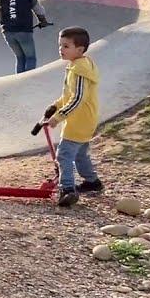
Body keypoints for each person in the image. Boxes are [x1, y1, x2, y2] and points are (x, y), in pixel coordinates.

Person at [45, 26, 102, 207]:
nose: (61, 49)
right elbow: (70, 95)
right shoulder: (81, 65)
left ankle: (67, 189)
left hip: (78, 121)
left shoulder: (79, 69)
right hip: (86, 119)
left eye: (66, 46)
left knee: (64, 155)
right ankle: (92, 182)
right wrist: (55, 105)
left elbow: (77, 98)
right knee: (80, 154)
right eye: (60, 45)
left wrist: (59, 117)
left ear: (79, 50)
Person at [0, 0, 49, 73]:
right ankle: (27, 82)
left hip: (8, 32)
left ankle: (19, 82)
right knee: (30, 57)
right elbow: (39, 10)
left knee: (20, 58)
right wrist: (43, 20)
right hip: (24, 30)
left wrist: (7, 24)